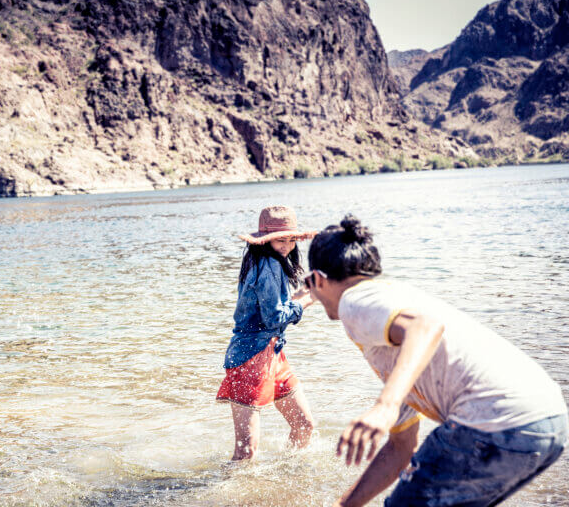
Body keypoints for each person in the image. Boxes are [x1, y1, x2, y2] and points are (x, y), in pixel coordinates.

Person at [304, 214, 568, 506]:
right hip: (548, 421)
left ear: (317, 279)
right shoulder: (396, 336)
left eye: (310, 284)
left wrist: (384, 407)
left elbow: (425, 327)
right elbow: (401, 448)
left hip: (495, 420)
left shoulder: (354, 302)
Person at [216, 205, 318, 460]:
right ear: (265, 241)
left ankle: (287, 482)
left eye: (291, 239)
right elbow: (274, 318)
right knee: (246, 451)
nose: (286, 246)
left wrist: (302, 294)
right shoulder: (268, 265)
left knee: (304, 426)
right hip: (250, 357)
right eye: (279, 240)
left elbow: (272, 308)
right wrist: (307, 300)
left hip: (272, 353)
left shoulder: (263, 262)